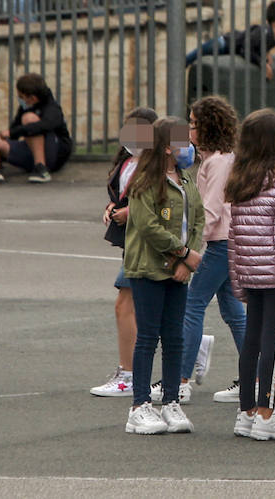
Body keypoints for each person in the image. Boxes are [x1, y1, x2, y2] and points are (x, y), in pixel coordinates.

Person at [123, 117, 204, 435]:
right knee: (148, 337)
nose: (189, 147)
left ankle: (171, 401)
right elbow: (148, 226)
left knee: (174, 337)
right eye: (183, 141)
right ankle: (140, 405)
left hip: (178, 270)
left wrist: (190, 257)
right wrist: (181, 254)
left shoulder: (186, 180)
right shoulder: (145, 181)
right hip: (149, 269)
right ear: (167, 147)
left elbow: (198, 219)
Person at [226, 109, 275, 441]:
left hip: (249, 272)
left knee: (251, 340)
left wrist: (237, 279)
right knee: (273, 339)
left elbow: (233, 236)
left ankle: (246, 411)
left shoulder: (240, 180)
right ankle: (267, 413)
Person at [176, 96, 244, 405]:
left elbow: (211, 209)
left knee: (192, 305)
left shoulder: (217, 162)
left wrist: (190, 247)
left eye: (192, 124)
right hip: (227, 242)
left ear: (206, 128)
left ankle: (181, 379)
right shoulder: (220, 159)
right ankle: (253, 376)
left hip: (218, 244)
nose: (189, 130)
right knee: (232, 310)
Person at [90, 107, 157, 398]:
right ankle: (193, 345)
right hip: (131, 242)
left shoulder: (159, 165)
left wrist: (131, 211)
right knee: (148, 307)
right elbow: (121, 193)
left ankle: (128, 374)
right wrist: (113, 207)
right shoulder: (128, 162)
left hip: (146, 242)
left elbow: (163, 201)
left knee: (124, 304)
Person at [0, 72, 73, 184]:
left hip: (54, 155)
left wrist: (12, 132)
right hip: (30, 152)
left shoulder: (52, 108)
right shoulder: (25, 107)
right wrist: (4, 147)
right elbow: (14, 130)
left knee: (29, 119)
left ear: (33, 98)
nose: (20, 100)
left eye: (21, 97)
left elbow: (43, 126)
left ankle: (41, 168)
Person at [186, 0, 275, 81]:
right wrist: (263, 65)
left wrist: (266, 53)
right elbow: (246, 48)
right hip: (223, 44)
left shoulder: (274, 38)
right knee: (189, 58)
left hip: (227, 49)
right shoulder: (264, 31)